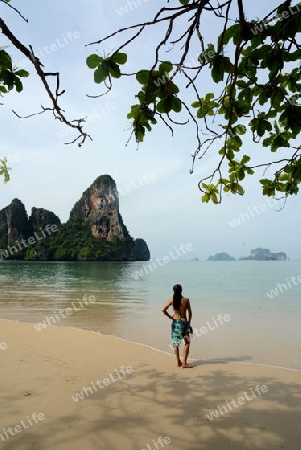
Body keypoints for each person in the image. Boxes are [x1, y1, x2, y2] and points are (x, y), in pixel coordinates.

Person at [162, 284, 194, 368]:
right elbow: (190, 313)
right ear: (181, 290)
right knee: (187, 342)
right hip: (184, 323)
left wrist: (169, 317)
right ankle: (184, 363)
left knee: (175, 343)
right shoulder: (186, 300)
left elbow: (163, 309)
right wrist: (188, 323)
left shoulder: (172, 300)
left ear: (173, 291)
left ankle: (178, 362)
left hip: (175, 323)